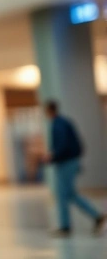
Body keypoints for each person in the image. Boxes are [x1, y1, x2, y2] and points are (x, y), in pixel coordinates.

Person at [41, 100, 106, 237]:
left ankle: (65, 227)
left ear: (48, 110)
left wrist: (51, 156)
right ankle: (96, 216)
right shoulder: (64, 122)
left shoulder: (57, 124)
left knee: (62, 195)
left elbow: (62, 145)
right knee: (70, 194)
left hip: (66, 162)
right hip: (70, 161)